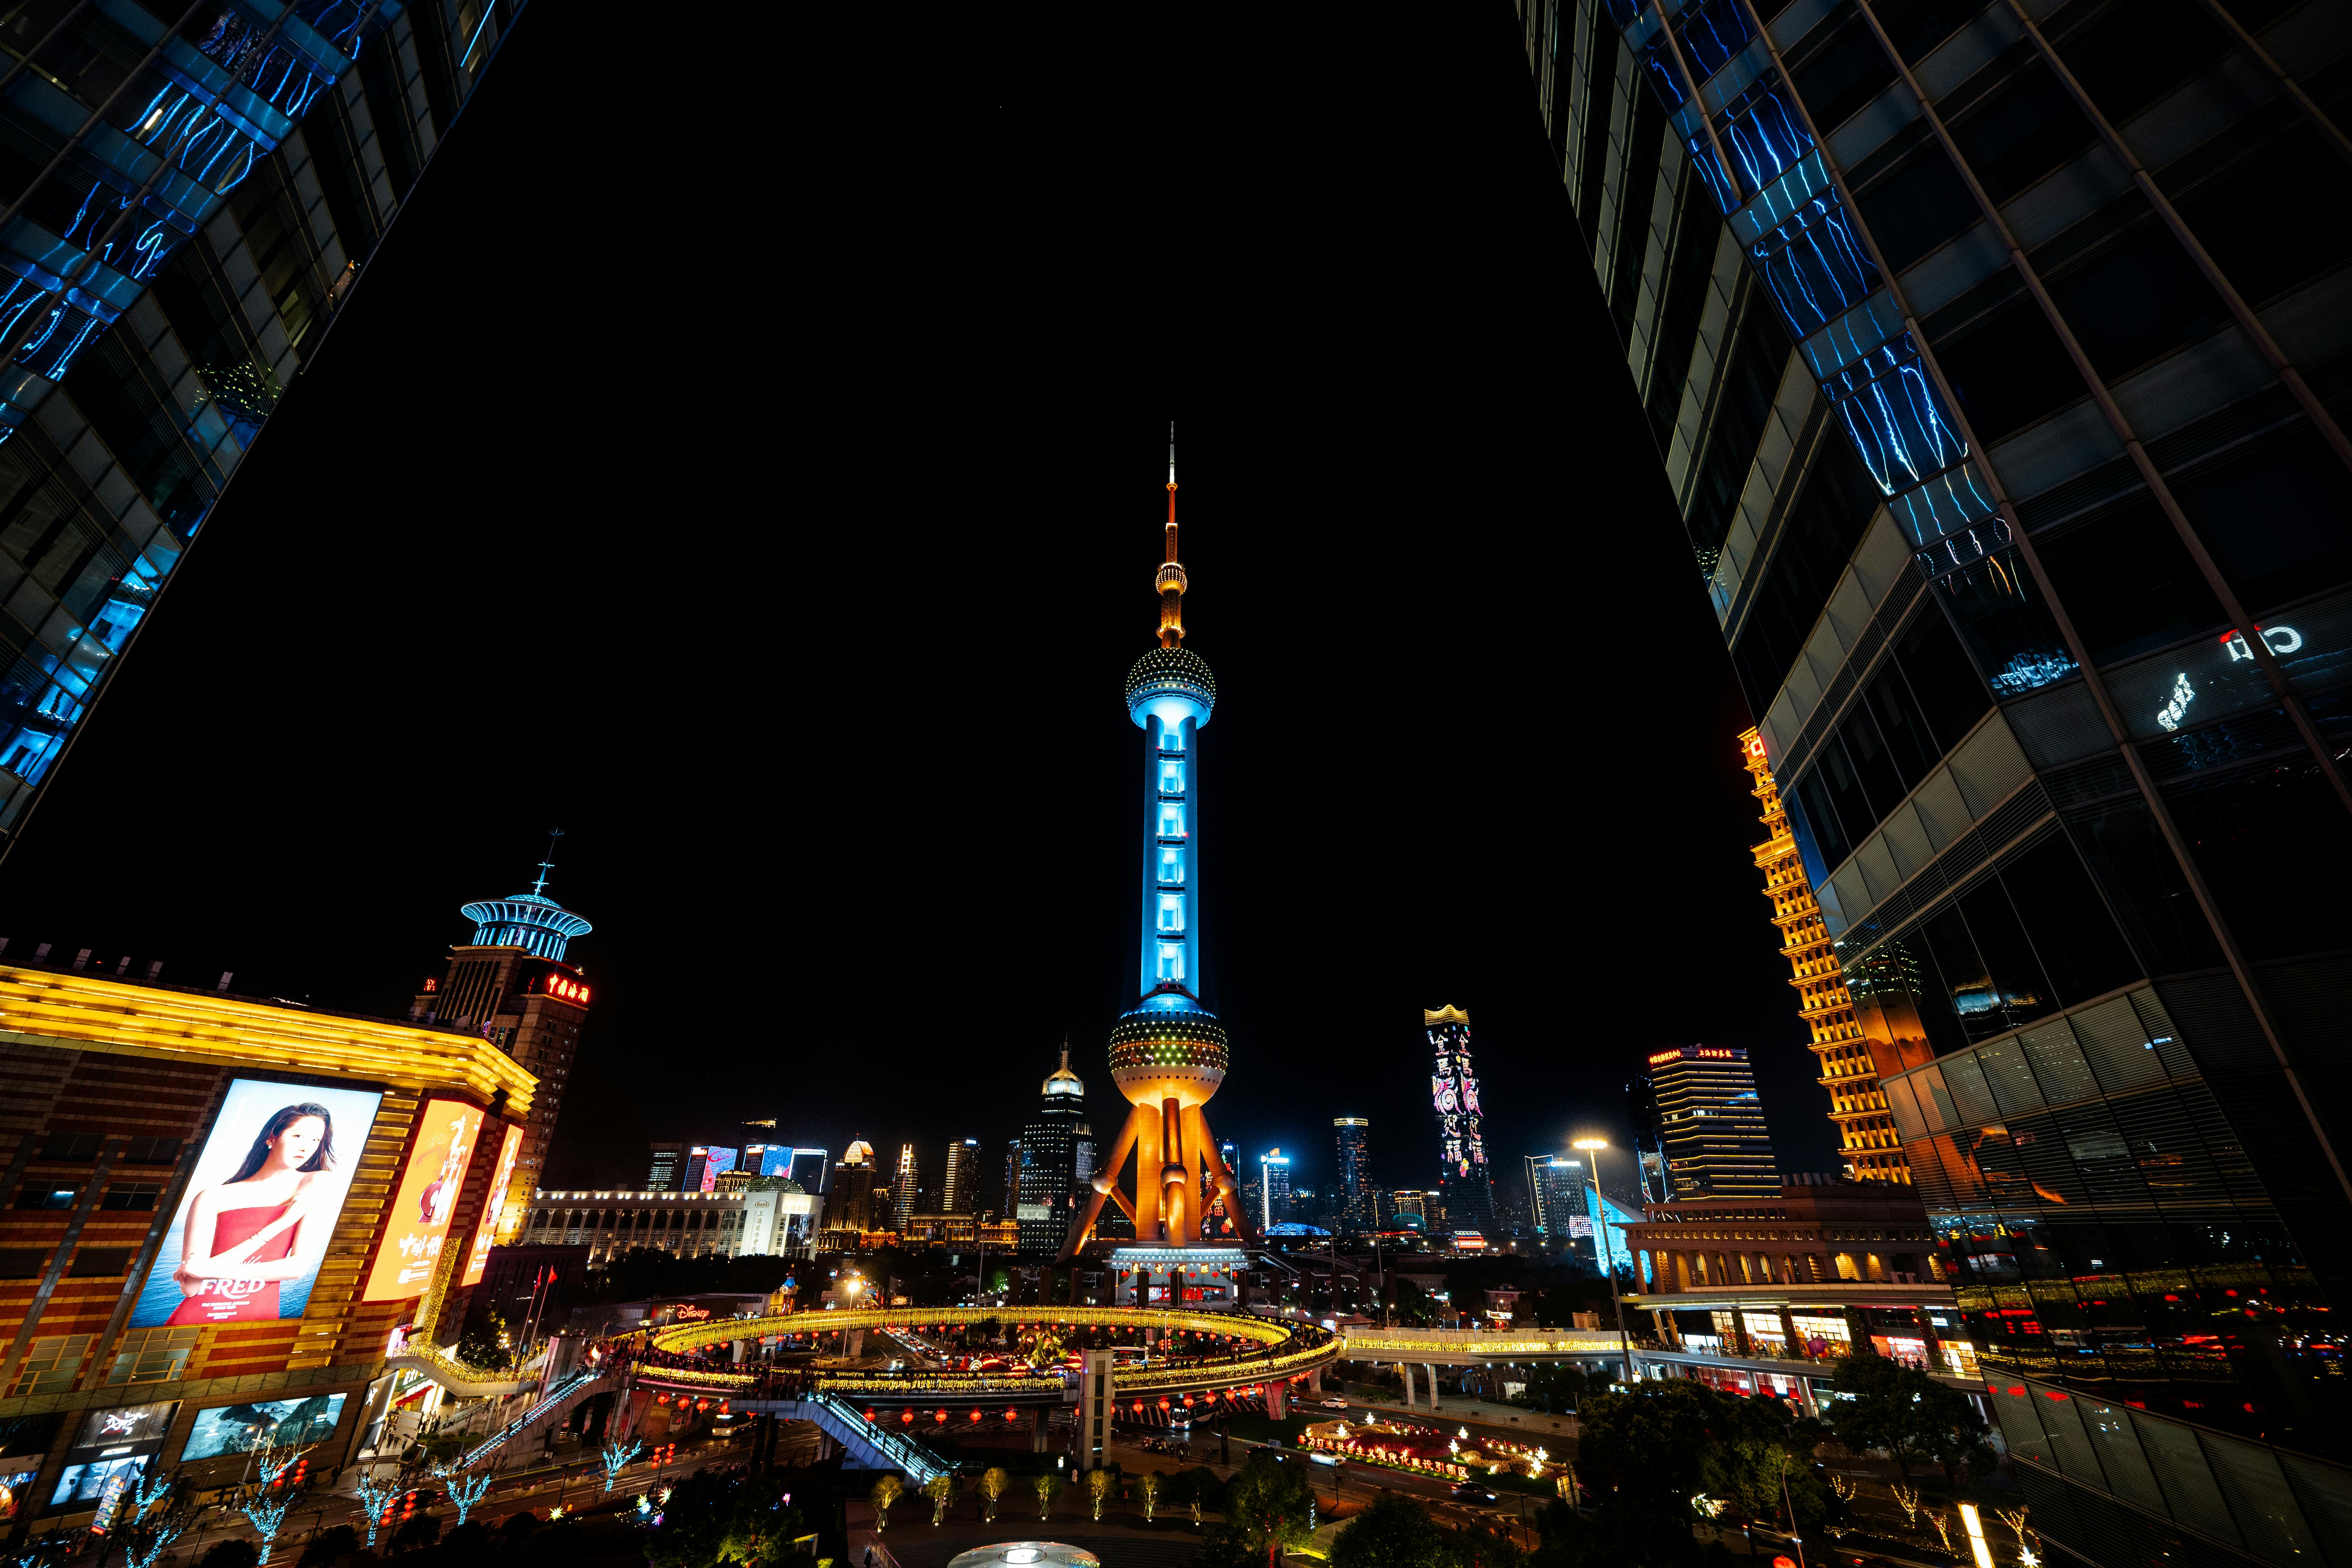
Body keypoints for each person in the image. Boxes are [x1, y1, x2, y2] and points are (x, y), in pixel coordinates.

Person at [166, 1102, 340, 1325]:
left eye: (316, 1140)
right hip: (194, 1319)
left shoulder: (315, 1181)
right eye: (298, 1136)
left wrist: (208, 1270)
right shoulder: (212, 1197)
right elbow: (191, 1287)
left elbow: (297, 1268)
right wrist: (281, 1223)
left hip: (259, 1319)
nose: (306, 1147)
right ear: (272, 1137)